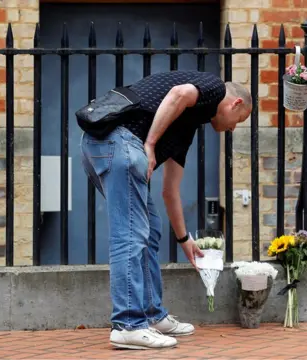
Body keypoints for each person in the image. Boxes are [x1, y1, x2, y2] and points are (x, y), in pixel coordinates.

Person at [79, 70, 252, 350]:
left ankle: (151, 315)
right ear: (236, 104)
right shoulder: (214, 89)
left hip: (108, 145)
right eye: (239, 121)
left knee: (150, 229)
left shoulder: (185, 125)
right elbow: (178, 94)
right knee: (131, 234)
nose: (233, 129)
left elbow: (170, 191)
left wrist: (185, 241)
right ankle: (128, 325)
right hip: (118, 141)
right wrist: (148, 144)